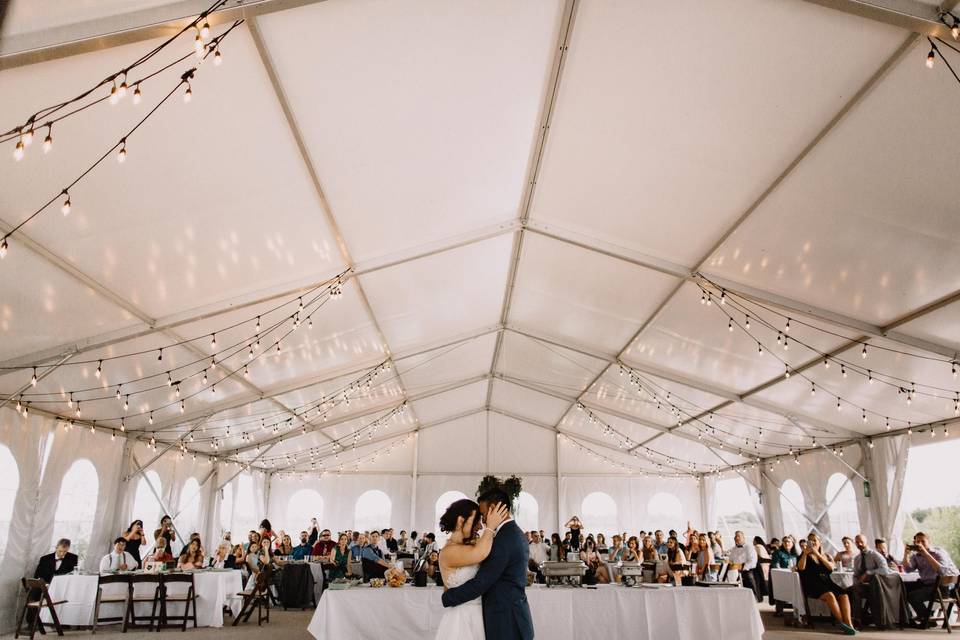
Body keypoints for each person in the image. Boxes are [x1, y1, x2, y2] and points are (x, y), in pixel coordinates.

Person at [440, 486, 533, 640]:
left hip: (506, 620)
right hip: (485, 618)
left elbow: (482, 581)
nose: (482, 523)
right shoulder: (509, 534)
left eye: (482, 515)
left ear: (493, 509)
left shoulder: (505, 538)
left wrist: (447, 597)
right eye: (477, 519)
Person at [434, 498, 508, 638]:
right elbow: (479, 553)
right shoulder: (448, 552)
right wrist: (490, 527)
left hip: (479, 616)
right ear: (461, 520)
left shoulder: (471, 545)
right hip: (461, 620)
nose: (480, 526)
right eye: (477, 521)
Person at [798, 533, 856, 635]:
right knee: (830, 595)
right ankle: (842, 623)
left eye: (815, 540)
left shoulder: (825, 555)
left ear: (820, 542)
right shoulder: (804, 555)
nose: (812, 543)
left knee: (844, 595)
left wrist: (817, 554)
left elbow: (830, 568)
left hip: (826, 582)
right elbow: (801, 568)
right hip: (812, 584)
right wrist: (805, 554)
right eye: (810, 541)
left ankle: (849, 624)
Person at [902, 531, 958, 626]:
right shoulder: (916, 556)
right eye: (917, 541)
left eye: (923, 541)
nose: (920, 544)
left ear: (929, 541)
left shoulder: (939, 552)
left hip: (943, 587)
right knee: (902, 588)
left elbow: (942, 572)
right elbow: (907, 570)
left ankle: (927, 619)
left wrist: (926, 553)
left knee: (913, 596)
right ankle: (909, 618)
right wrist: (906, 555)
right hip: (928, 585)